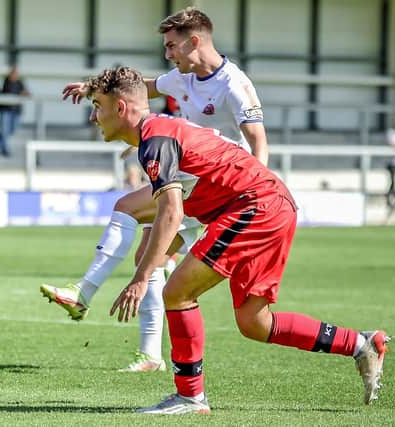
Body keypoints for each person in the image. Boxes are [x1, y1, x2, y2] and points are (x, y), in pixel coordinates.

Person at [88, 66, 390, 413]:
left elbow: (171, 213)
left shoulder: (156, 139)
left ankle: (190, 396)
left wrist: (141, 278)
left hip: (255, 207)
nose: (95, 116)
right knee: (254, 322)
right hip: (270, 205)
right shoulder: (159, 133)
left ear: (121, 108)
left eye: (98, 105)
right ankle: (361, 343)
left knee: (177, 292)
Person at [42, 7, 268, 372]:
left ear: (194, 41)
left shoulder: (234, 84)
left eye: (171, 45)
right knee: (148, 256)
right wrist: (91, 89)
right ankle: (150, 355)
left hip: (222, 181)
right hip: (187, 176)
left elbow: (258, 140)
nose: (167, 53)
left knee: (129, 207)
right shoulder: (183, 77)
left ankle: (83, 292)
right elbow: (138, 90)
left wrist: (255, 196)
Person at [0, 65, 29, 156]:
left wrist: (25, 93)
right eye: (13, 73)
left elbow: (26, 92)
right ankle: (4, 149)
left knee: (13, 129)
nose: (14, 75)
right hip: (6, 110)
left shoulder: (20, 83)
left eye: (15, 73)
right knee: (5, 130)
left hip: (16, 111)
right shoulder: (5, 82)